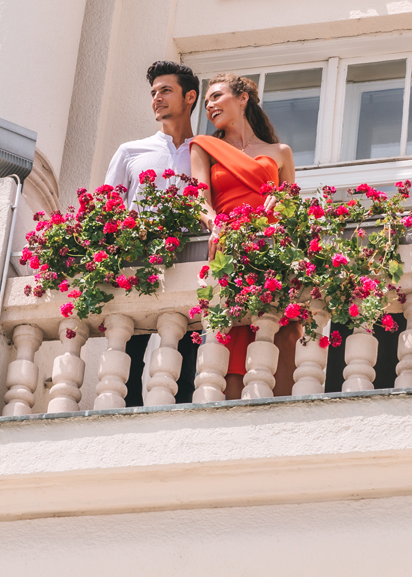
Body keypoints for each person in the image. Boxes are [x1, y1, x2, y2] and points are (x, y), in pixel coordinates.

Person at [189, 73, 297, 400]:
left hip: (269, 256)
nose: (209, 105)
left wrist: (282, 202)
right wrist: (215, 223)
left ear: (243, 98)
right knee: (232, 358)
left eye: (217, 96)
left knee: (275, 348)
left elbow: (294, 207)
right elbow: (198, 199)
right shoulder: (205, 147)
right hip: (230, 253)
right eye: (206, 101)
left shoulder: (280, 152)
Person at [103, 61, 202, 405]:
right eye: (153, 92)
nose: (156, 98)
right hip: (137, 264)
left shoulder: (204, 153)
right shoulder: (131, 152)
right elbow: (107, 212)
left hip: (192, 265)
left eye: (165, 91)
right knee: (130, 353)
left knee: (188, 360)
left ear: (189, 97)